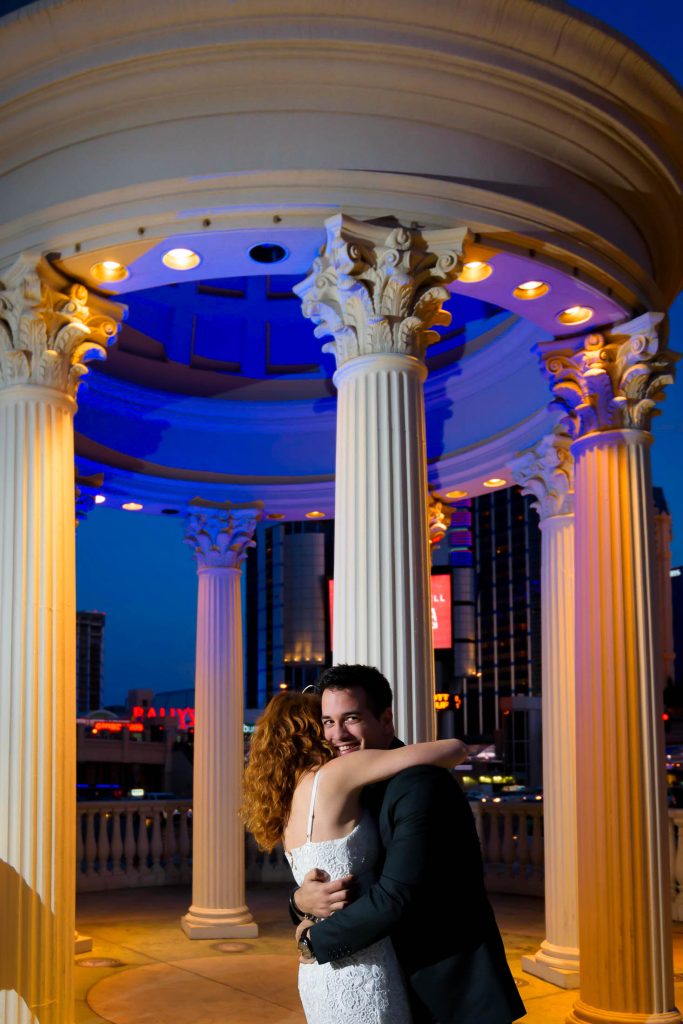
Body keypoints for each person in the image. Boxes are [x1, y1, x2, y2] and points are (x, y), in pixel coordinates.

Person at [290, 664, 526, 1024]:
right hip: (399, 981)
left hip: (448, 991)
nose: (338, 735)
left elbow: (396, 897)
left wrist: (314, 943)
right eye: (328, 722)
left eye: (351, 718)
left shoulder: (419, 784)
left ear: (386, 720)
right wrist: (298, 901)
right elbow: (347, 873)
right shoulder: (356, 785)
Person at [241, 688, 472, 1024]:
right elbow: (455, 749)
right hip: (364, 964)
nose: (336, 733)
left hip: (318, 971)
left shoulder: (286, 802)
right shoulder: (338, 773)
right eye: (326, 722)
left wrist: (299, 902)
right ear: (311, 731)